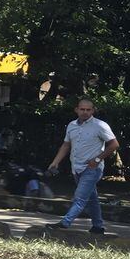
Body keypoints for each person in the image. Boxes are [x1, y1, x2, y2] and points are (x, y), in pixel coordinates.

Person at [47, 97, 120, 235]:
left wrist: (97, 159)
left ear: (93, 111)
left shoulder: (100, 125)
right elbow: (66, 144)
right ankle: (98, 226)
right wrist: (55, 162)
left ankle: (65, 223)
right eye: (82, 109)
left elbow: (114, 144)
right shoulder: (71, 125)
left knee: (79, 198)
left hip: (92, 169)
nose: (85, 112)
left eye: (88, 109)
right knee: (92, 199)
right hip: (76, 168)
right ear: (76, 110)